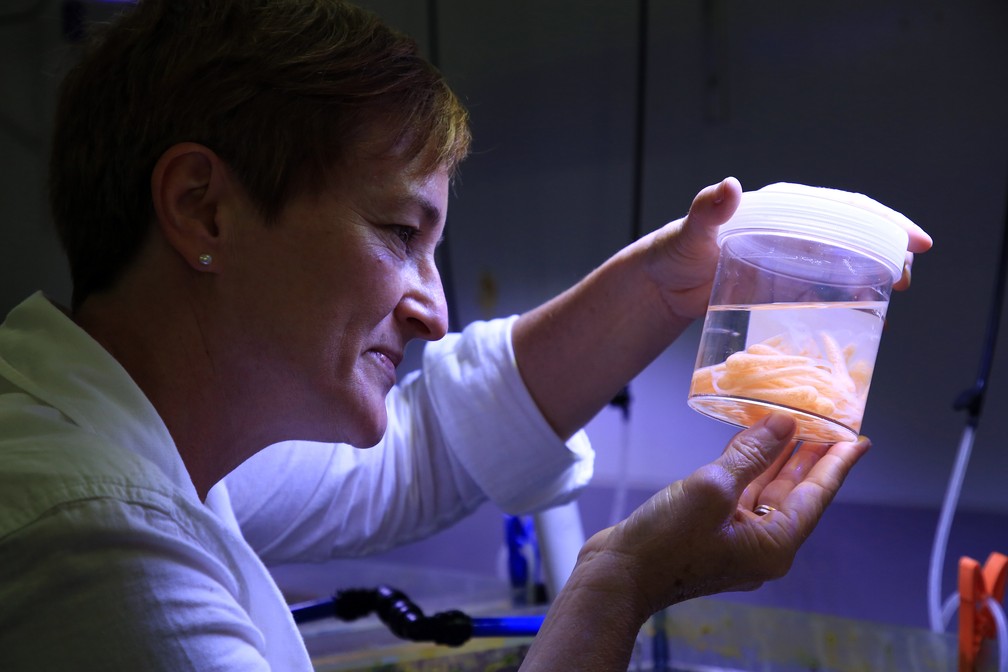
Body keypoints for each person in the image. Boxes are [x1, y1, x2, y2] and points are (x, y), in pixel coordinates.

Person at [0, 1, 932, 670]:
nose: (434, 310)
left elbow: (422, 452)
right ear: (204, 209)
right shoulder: (91, 544)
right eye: (401, 234)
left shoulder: (142, 443)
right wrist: (616, 587)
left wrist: (662, 285)